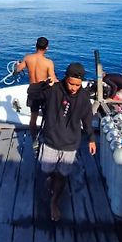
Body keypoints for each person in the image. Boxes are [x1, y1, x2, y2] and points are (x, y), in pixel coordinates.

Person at [27, 62, 96, 222]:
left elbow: (87, 119)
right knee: (46, 171)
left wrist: (91, 138)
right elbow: (31, 92)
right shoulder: (53, 89)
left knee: (62, 175)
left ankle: (54, 202)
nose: (74, 88)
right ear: (65, 78)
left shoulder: (84, 96)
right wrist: (44, 84)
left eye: (78, 85)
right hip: (50, 140)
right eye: (71, 83)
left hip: (70, 144)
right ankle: (51, 181)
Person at [15, 37, 58, 141]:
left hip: (33, 89)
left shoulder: (27, 58)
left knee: (33, 116)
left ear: (36, 45)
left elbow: (17, 70)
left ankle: (33, 137)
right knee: (48, 114)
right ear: (47, 47)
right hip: (44, 90)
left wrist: (17, 65)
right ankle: (47, 136)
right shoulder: (48, 62)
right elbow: (53, 78)